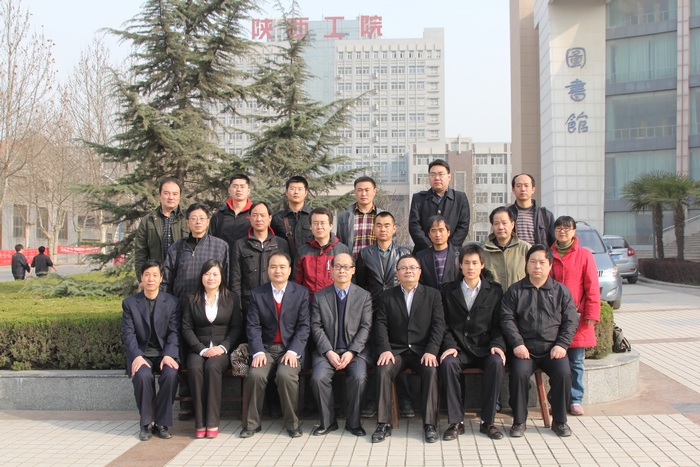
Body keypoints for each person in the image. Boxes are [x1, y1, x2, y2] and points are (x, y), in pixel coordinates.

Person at [500, 245, 579, 438]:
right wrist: (517, 343)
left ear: (550, 265)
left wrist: (562, 345)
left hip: (552, 349)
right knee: (518, 374)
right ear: (526, 264)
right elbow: (506, 319)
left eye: (542, 262)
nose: (537, 266)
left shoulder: (561, 291)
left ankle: (559, 421)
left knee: (563, 373)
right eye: (533, 262)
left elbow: (571, 321)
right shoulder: (515, 291)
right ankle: (519, 421)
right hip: (524, 350)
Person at [162, 202, 230, 421]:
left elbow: (227, 278)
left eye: (202, 218)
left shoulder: (220, 246)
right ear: (187, 222)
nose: (198, 222)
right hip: (182, 308)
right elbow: (166, 279)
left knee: (209, 360)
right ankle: (187, 403)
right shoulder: (177, 248)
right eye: (193, 218)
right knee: (186, 354)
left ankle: (210, 404)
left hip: (211, 310)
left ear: (208, 221)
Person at [372, 254, 446, 444]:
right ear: (397, 273)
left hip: (422, 351)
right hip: (396, 351)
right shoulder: (387, 295)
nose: (408, 271)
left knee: (431, 370)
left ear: (420, 272)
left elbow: (439, 325)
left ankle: (430, 425)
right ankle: (383, 423)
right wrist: (385, 348)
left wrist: (432, 350)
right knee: (383, 369)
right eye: (403, 268)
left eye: (413, 267)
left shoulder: (433, 295)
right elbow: (380, 324)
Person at [240, 252, 310, 439]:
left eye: (282, 267)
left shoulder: (301, 293)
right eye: (273, 267)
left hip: (290, 349)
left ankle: (292, 424)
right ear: (267, 270)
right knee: (255, 375)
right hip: (266, 349)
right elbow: (253, 326)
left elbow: (304, 326)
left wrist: (294, 351)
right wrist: (257, 352)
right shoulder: (258, 294)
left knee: (286, 375)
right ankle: (252, 424)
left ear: (289, 270)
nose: (277, 270)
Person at [440, 244, 505, 441]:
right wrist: (450, 346)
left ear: (482, 265)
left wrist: (497, 345)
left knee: (496, 362)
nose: (470, 267)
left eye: (475, 263)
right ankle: (456, 422)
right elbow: (443, 324)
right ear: (460, 265)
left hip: (485, 347)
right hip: (459, 348)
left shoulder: (494, 291)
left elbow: (500, 325)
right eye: (466, 263)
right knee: (448, 363)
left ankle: (488, 421)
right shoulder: (448, 291)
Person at [354, 212, 414, 419]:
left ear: (394, 228)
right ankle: (372, 400)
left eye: (387, 225)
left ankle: (405, 400)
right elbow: (361, 284)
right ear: (373, 229)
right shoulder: (365, 254)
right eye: (379, 225)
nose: (383, 229)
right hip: (373, 311)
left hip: (399, 311)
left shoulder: (404, 252)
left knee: (399, 353)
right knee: (376, 356)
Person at [310, 253, 373, 436]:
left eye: (346, 267)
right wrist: (328, 351)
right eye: (337, 266)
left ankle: (353, 423)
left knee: (359, 377)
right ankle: (328, 422)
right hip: (327, 351)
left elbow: (366, 327)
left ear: (353, 270)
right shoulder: (320, 296)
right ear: (331, 270)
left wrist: (352, 351)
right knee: (318, 378)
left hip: (355, 352)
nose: (342, 270)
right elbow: (316, 326)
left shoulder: (364, 296)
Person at [181, 259, 243, 439]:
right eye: (207, 274)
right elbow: (186, 328)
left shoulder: (231, 298)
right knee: (195, 368)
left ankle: (212, 421)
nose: (211, 278)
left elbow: (236, 327)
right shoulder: (192, 299)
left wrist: (223, 347)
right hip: (197, 349)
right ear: (201, 276)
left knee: (212, 366)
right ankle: (200, 422)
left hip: (221, 349)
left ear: (221, 277)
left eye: (215, 274)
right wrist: (201, 349)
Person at [121, 260, 180, 441]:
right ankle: (146, 423)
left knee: (171, 375)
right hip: (142, 354)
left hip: (164, 354)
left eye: (155, 275)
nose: (151, 279)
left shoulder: (172, 302)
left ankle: (162, 423)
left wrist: (169, 354)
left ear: (161, 278)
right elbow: (128, 334)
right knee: (142, 376)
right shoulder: (130, 303)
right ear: (141, 278)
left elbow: (174, 332)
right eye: (147, 275)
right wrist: (137, 356)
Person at [550, 216, 600, 416]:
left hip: (577, 315)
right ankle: (556, 398)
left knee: (576, 361)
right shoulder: (548, 254)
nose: (562, 231)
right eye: (559, 228)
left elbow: (592, 286)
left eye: (567, 228)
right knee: (556, 361)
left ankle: (576, 398)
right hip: (553, 318)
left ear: (574, 231)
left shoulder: (584, 255)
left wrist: (591, 312)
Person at [231, 201, 290, 321]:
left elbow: (288, 275)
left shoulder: (280, 244)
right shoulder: (241, 245)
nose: (259, 219)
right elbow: (235, 279)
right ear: (250, 218)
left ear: (270, 218)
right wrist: (238, 307)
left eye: (262, 215)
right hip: (249, 305)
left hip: (276, 304)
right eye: (254, 215)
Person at [409, 159, 470, 254]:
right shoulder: (419, 199)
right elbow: (414, 226)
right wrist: (429, 246)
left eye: (441, 174)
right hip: (424, 253)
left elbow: (463, 226)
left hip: (453, 254)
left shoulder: (460, 198)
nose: (437, 178)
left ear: (449, 176)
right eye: (433, 174)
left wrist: (447, 248)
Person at [134, 178, 188, 276]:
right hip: (157, 277)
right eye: (166, 193)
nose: (171, 197)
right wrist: (141, 278)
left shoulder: (188, 220)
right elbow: (140, 253)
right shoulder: (148, 221)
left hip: (183, 277)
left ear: (179, 196)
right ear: (160, 195)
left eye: (175, 194)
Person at [295, 207, 350, 302]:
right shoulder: (302, 251)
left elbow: (349, 280)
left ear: (331, 225)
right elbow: (296, 282)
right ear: (310, 226)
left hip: (334, 302)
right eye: (315, 223)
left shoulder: (341, 250)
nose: (319, 227)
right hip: (308, 302)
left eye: (323, 223)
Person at [482, 206, 531, 290]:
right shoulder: (483, 251)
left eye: (504, 223)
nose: (500, 227)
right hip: (493, 297)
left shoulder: (525, 248)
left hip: (518, 297)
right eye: (496, 223)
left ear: (512, 224)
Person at [210, 174, 254, 266]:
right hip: (222, 263)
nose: (238, 190)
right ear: (229, 190)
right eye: (235, 186)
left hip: (247, 264)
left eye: (242, 186)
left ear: (248, 191)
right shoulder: (219, 215)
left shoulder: (254, 214)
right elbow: (211, 241)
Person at [336, 176, 384, 258]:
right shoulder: (344, 216)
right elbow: (340, 243)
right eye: (360, 190)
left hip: (376, 263)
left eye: (367, 190)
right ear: (355, 191)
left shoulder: (383, 216)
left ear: (374, 191)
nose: (363, 194)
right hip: (351, 263)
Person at [507, 174, 555, 247]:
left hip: (538, 254)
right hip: (514, 254)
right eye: (518, 186)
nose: (523, 189)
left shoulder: (545, 215)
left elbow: (553, 243)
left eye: (526, 185)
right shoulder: (507, 214)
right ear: (513, 190)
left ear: (533, 189)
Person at [271, 176, 312, 261]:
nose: (296, 192)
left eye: (300, 189)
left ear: (306, 193)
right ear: (286, 192)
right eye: (292, 188)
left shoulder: (313, 216)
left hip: (309, 264)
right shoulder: (278, 218)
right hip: (285, 265)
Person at [416, 215, 461, 290]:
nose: (437, 235)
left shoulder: (459, 254)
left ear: (448, 232)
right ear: (429, 234)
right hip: (431, 296)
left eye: (441, 230)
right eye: (433, 231)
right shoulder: (421, 257)